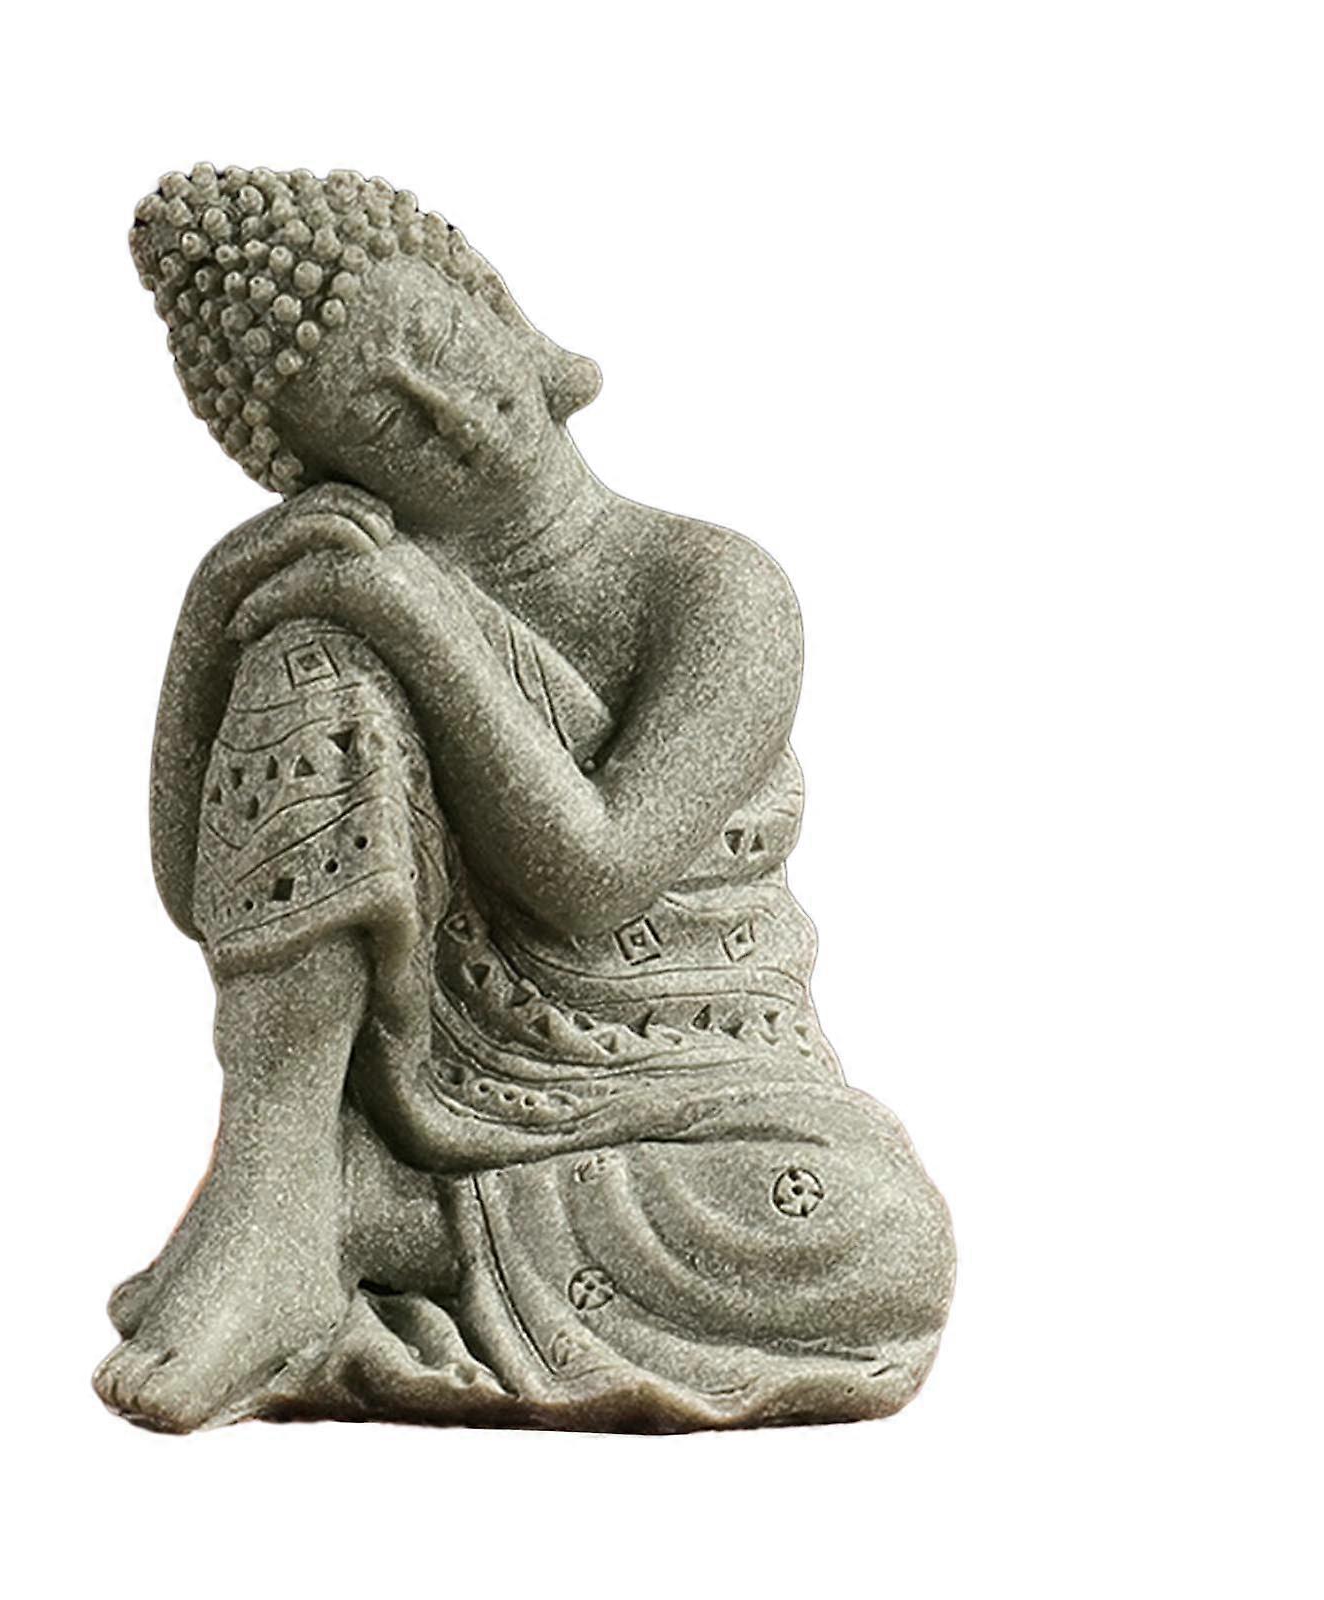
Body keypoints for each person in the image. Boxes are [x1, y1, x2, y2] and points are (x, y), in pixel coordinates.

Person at [94, 165, 954, 1432]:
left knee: (888, 1239)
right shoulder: (354, 595)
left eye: (439, 342)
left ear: (500, 311)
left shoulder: (713, 585)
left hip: (691, 1090)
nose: (445, 412)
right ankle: (271, 1181)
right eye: (379, 418)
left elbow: (595, 876)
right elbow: (197, 897)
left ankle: (359, 1215)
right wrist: (211, 615)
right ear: (333, 474)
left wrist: (419, 614)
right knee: (311, 646)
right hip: (429, 1070)